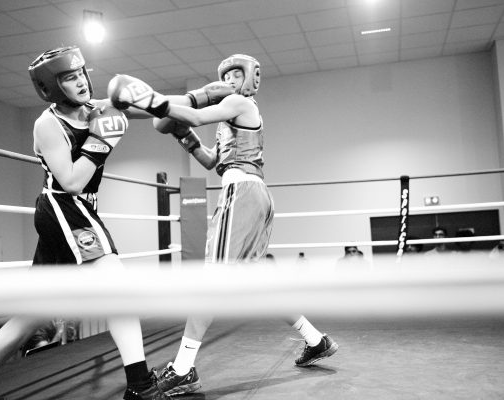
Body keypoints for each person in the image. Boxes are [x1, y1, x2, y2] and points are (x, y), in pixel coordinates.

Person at [107, 54, 339, 396]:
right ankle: (315, 340)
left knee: (210, 280)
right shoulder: (230, 115)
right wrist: (184, 138)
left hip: (242, 194)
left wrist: (155, 102)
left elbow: (196, 113)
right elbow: (213, 161)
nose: (230, 80)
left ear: (250, 79)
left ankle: (183, 369)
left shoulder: (240, 103)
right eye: (226, 75)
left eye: (236, 74)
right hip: (251, 193)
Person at [0, 46, 172, 400]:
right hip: (65, 207)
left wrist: (186, 105)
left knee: (31, 312)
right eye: (70, 77)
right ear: (51, 87)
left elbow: (145, 109)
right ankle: (140, 385)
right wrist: (101, 142)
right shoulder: (48, 124)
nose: (81, 82)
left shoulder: (95, 108)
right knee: (119, 291)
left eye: (82, 73)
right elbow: (71, 180)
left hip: (74, 210)